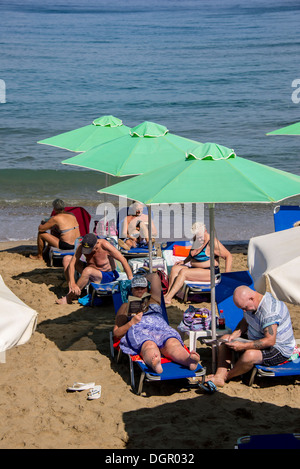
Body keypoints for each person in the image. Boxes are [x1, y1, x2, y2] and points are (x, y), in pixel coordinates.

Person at [206, 285, 297, 387]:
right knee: (224, 339)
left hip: (278, 348)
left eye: (244, 307)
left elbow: (270, 341)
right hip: (257, 337)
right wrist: (236, 333)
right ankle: (219, 376)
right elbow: (246, 320)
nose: (244, 311)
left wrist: (243, 346)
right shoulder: (252, 305)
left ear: (251, 298)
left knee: (250, 355)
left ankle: (226, 376)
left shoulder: (269, 312)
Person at [113, 273, 200, 374]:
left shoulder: (154, 299)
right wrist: (132, 322)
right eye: (136, 288)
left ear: (147, 289)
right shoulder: (125, 306)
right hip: (139, 329)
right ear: (131, 290)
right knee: (148, 344)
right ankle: (155, 363)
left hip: (160, 326)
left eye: (143, 287)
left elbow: (154, 276)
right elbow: (117, 333)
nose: (140, 290)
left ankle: (188, 360)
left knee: (172, 342)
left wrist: (140, 276)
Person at [164, 222, 232, 304]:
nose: (198, 239)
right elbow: (192, 254)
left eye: (200, 237)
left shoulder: (212, 242)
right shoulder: (197, 239)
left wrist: (227, 274)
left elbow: (228, 256)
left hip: (210, 272)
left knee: (183, 272)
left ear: (205, 231)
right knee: (175, 269)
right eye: (196, 237)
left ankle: (168, 298)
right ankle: (169, 293)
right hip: (197, 269)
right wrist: (184, 261)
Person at [56, 233, 133, 304]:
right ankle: (72, 289)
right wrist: (72, 283)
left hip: (106, 275)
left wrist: (130, 280)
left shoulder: (105, 245)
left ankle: (69, 297)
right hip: (90, 268)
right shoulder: (82, 246)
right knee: (67, 259)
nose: (87, 252)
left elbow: (123, 260)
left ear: (97, 244)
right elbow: (72, 263)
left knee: (87, 271)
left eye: (90, 249)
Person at [30, 199, 80, 270]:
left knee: (41, 234)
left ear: (54, 208)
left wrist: (43, 223)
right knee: (56, 234)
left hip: (66, 245)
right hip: (77, 243)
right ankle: (45, 252)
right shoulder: (72, 215)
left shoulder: (56, 218)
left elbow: (41, 229)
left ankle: (39, 256)